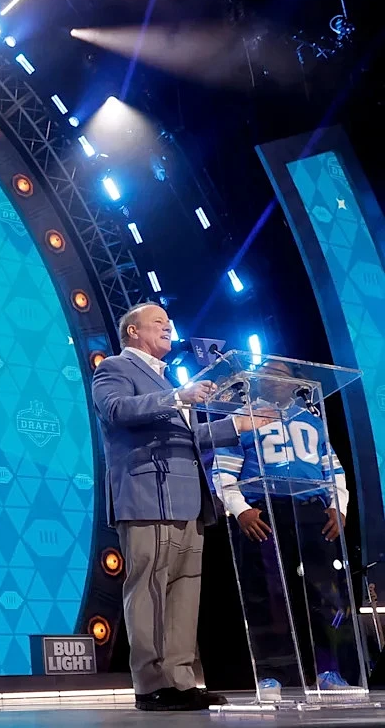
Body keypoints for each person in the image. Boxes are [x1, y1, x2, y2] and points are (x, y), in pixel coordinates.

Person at [93, 302, 255, 712]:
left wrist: (238, 425)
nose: (168, 327)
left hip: (186, 498)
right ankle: (150, 685)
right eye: (158, 322)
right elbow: (116, 410)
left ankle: (181, 681)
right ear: (133, 331)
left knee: (184, 593)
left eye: (169, 322)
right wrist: (176, 396)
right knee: (148, 589)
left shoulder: (167, 379)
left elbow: (189, 437)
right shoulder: (115, 368)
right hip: (147, 495)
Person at [212, 358, 359, 700]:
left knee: (325, 594)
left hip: (310, 513)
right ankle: (271, 675)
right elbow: (223, 471)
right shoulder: (242, 420)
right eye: (265, 373)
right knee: (267, 595)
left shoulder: (312, 420)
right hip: (265, 513)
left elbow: (334, 470)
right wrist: (241, 510)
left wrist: (338, 507)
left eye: (279, 373)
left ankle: (328, 671)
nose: (272, 378)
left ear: (295, 382)